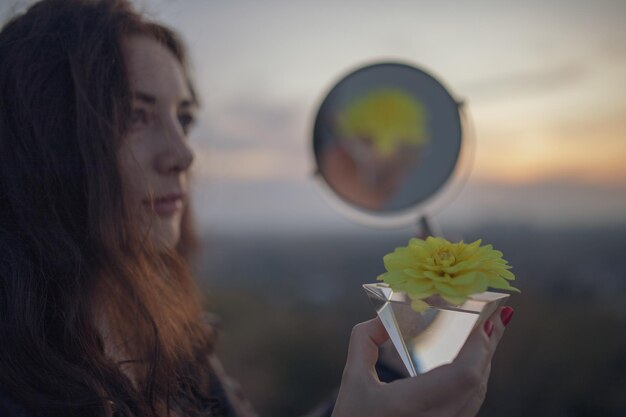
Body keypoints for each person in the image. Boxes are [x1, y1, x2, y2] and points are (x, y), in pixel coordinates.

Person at [0, 1, 514, 416]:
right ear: (44, 141)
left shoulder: (169, 340)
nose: (182, 154)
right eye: (135, 117)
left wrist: (394, 376)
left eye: (184, 119)